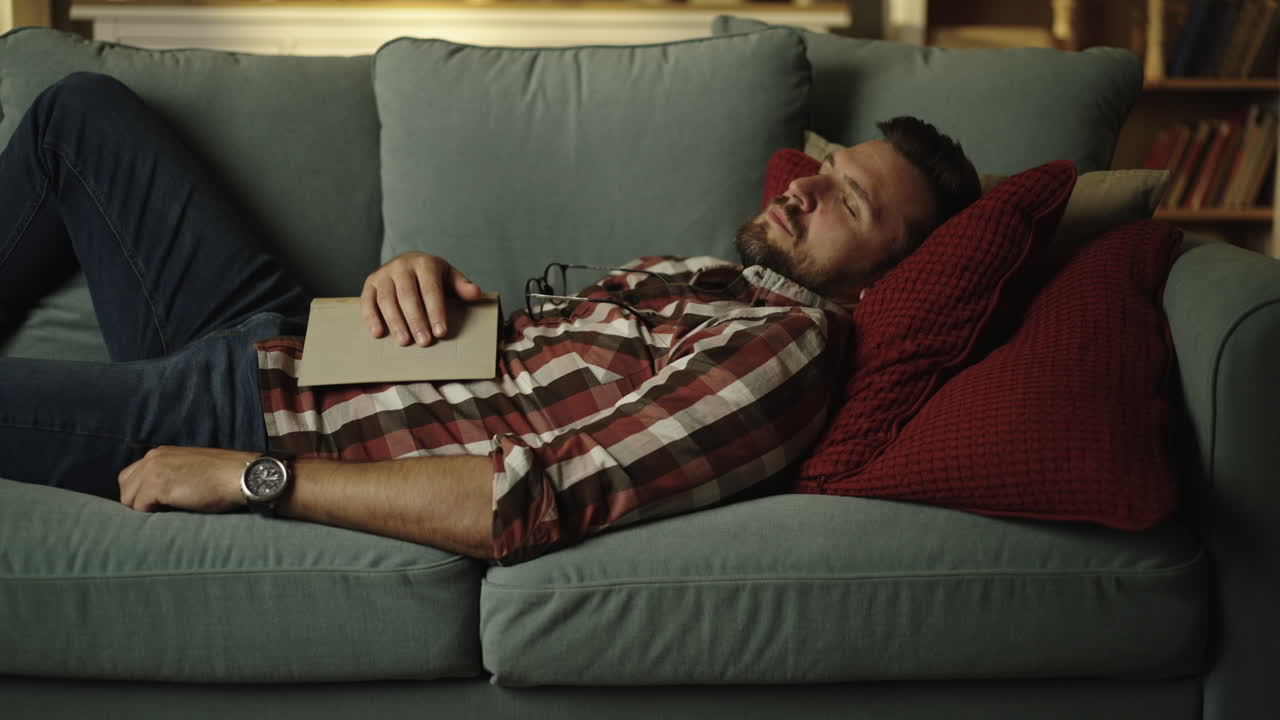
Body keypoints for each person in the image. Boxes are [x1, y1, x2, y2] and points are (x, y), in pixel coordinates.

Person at [0, 73, 980, 565]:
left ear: (891, 270)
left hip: (253, 418)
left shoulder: (786, 345)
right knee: (78, 114)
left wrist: (248, 476)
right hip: (296, 335)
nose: (805, 189)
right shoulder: (728, 283)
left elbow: (530, 497)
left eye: (848, 202)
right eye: (825, 167)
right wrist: (413, 278)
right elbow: (525, 378)